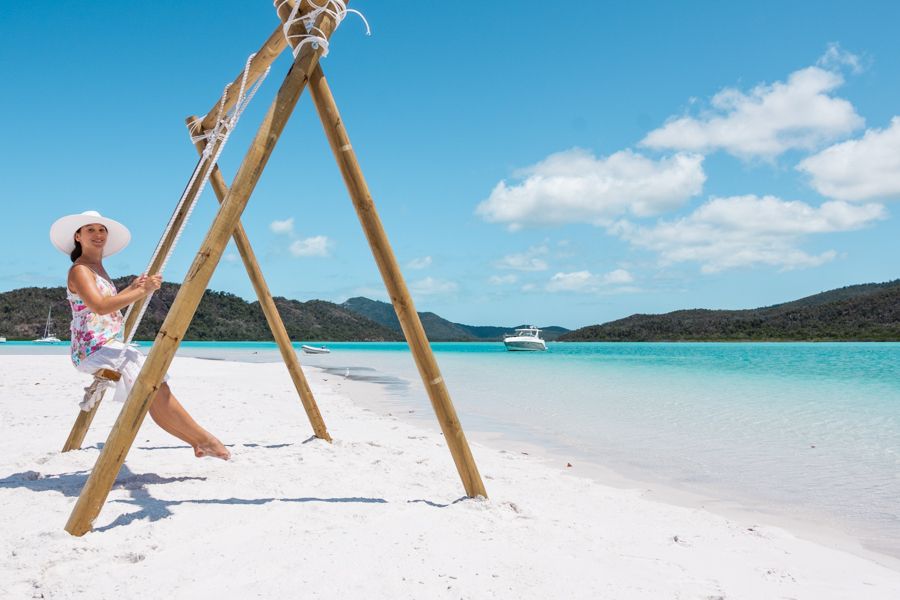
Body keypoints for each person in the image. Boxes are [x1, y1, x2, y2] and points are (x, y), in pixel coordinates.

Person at [50, 210, 230, 460]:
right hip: (93, 349)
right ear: (78, 237)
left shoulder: (97, 268)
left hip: (107, 346)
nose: (98, 234)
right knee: (153, 386)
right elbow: (100, 306)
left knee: (155, 387)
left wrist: (133, 288)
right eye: (90, 229)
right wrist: (141, 292)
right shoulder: (80, 270)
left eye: (101, 230)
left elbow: (108, 303)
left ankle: (199, 441)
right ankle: (204, 439)